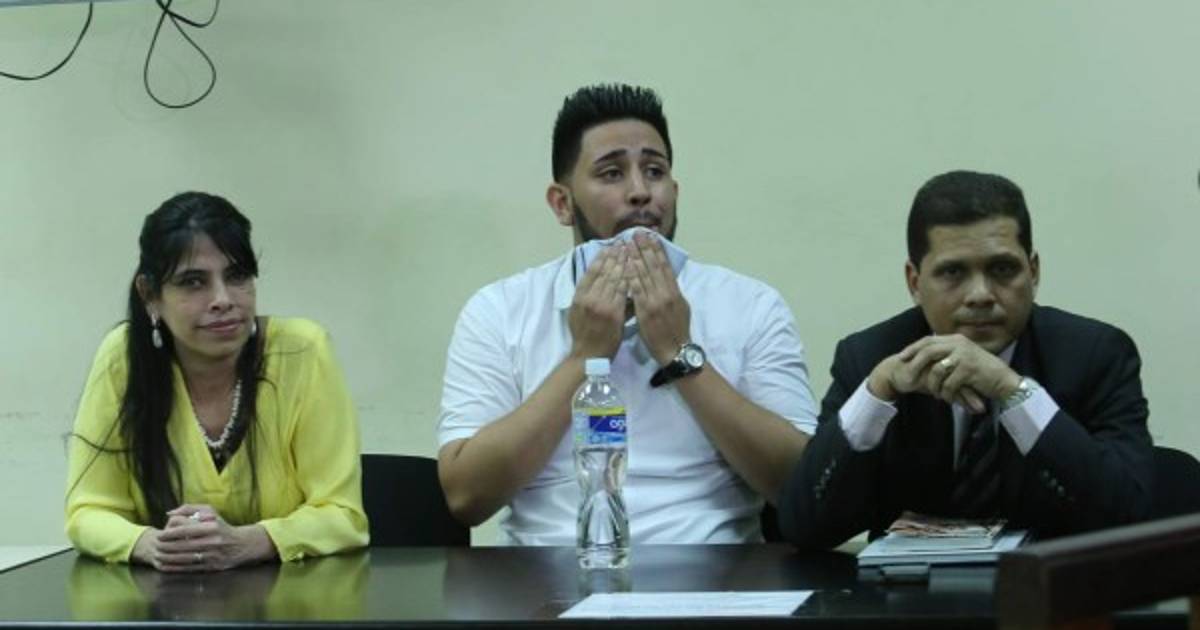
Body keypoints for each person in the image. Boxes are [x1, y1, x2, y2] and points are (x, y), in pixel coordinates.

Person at [437, 84, 818, 545]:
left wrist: (680, 353)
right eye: (612, 173)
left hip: (716, 569)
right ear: (562, 203)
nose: (640, 192)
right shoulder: (498, 310)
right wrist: (584, 357)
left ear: (674, 191)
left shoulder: (750, 304)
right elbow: (465, 497)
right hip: (545, 573)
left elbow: (804, 488)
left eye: (654, 171)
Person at [778, 170, 1154, 548]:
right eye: (953, 272)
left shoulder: (1095, 354)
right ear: (914, 282)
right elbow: (804, 528)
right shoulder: (871, 356)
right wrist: (875, 395)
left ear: (1033, 272)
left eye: (1002, 269)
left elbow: (1129, 515)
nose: (980, 295)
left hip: (1051, 582)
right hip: (909, 586)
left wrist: (1013, 391)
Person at [66, 192, 368, 571]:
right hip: (159, 599)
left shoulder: (304, 351)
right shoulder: (123, 358)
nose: (223, 299)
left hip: (295, 597)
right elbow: (88, 511)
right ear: (150, 295)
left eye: (237, 276)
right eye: (193, 282)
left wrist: (249, 542)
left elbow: (343, 515)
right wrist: (148, 544)